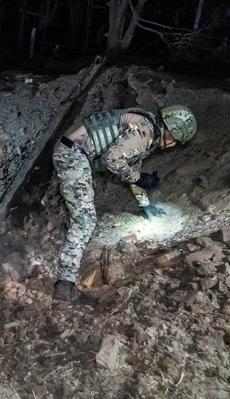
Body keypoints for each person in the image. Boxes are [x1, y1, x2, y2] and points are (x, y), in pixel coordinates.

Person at [51, 105, 197, 301]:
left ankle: (68, 274)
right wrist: (137, 178)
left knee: (82, 215)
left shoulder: (148, 132)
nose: (171, 145)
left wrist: (145, 203)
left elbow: (130, 170)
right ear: (169, 129)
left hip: (78, 153)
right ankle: (63, 286)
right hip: (72, 154)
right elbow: (112, 159)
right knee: (85, 221)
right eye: (173, 139)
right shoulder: (144, 131)